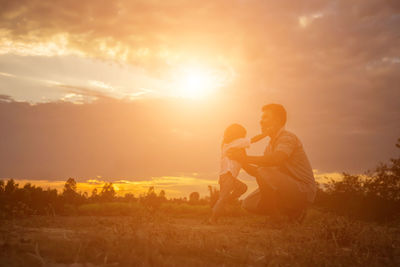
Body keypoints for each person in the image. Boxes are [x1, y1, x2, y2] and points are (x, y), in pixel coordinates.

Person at [228, 104, 316, 225]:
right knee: (248, 203)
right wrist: (241, 160)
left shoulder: (287, 137)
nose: (261, 121)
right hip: (286, 187)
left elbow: (275, 160)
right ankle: (289, 214)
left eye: (265, 117)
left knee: (264, 171)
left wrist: (246, 158)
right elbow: (259, 173)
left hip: (303, 191)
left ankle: (278, 217)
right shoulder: (270, 145)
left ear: (277, 120)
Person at [209, 123, 266, 224]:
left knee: (242, 188)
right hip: (228, 175)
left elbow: (243, 161)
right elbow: (253, 140)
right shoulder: (236, 142)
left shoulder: (227, 144)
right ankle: (212, 219)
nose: (244, 137)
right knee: (222, 199)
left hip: (226, 176)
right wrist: (265, 134)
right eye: (244, 134)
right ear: (238, 134)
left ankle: (227, 200)